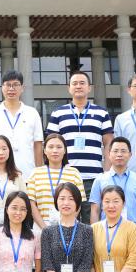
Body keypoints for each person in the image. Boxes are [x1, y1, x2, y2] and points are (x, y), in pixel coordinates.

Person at [45, 70, 113, 203]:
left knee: (91, 214)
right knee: (66, 211)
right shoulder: (58, 113)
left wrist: (106, 173)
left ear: (89, 88)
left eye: (82, 83)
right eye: (74, 83)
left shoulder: (101, 113)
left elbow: (109, 144)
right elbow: (50, 145)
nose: (78, 86)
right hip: (65, 176)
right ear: (69, 88)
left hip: (94, 177)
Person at [0, 70, 44, 172]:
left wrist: (39, 172)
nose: (11, 88)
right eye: (8, 85)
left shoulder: (32, 113)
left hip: (28, 172)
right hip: (0, 173)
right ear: (2, 87)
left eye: (15, 85)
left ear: (22, 88)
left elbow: (38, 144)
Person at [26, 133, 84, 231]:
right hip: (40, 226)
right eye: (51, 147)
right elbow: (31, 203)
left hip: (67, 226)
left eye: (59, 147)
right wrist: (44, 228)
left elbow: (78, 203)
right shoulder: (35, 173)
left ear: (65, 150)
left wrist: (66, 224)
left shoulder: (74, 173)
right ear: (44, 150)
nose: (55, 151)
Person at [89, 137, 136, 228]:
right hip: (107, 230)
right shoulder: (99, 180)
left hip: (134, 230)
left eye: (123, 151)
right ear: (109, 154)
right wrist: (94, 233)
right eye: (115, 151)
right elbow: (95, 210)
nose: (119, 154)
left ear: (130, 155)